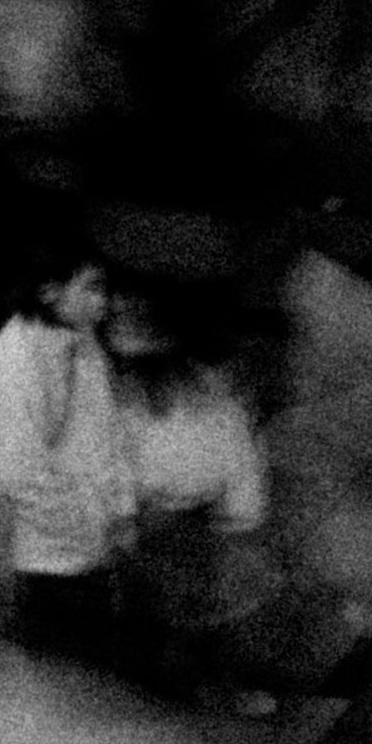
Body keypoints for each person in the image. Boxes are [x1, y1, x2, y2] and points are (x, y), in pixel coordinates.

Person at [107, 285, 282, 715]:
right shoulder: (122, 403)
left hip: (190, 521)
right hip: (153, 521)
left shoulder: (211, 397)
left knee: (202, 613)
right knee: (166, 613)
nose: (139, 375)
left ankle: (206, 684)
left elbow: (236, 453)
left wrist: (241, 520)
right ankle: (169, 684)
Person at [0, 252, 139, 682]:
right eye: (91, 287)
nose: (105, 299)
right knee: (68, 682)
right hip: (54, 560)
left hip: (91, 546)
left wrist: (118, 513)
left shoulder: (79, 341)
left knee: (97, 675)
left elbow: (106, 431)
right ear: (50, 292)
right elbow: (17, 471)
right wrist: (82, 527)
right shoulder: (17, 361)